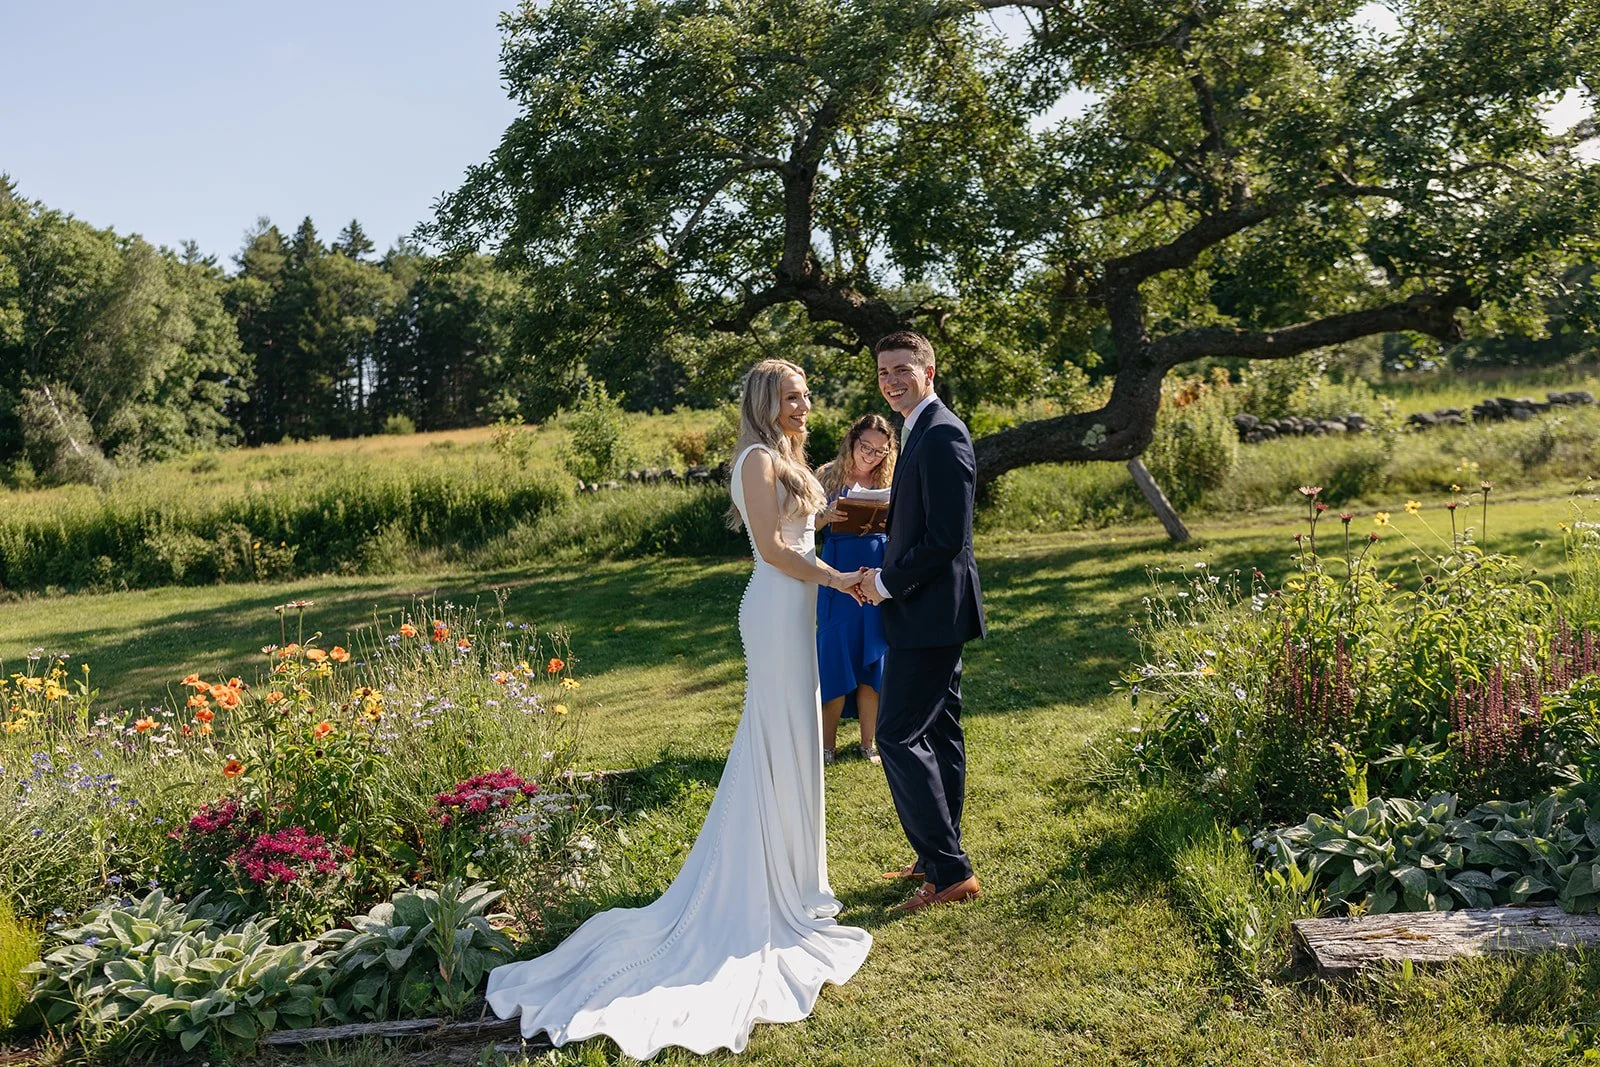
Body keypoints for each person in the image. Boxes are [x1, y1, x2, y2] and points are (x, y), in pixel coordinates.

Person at [485, 359, 872, 1059]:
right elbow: (776, 550)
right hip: (778, 607)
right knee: (774, 738)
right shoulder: (756, 459)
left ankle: (796, 877)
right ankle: (765, 886)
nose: (804, 406)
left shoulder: (787, 457)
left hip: (799, 612)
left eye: (806, 396)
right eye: (792, 397)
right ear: (763, 403)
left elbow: (804, 527)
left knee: (790, 736)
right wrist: (840, 577)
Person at [859, 330, 987, 914]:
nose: (891, 380)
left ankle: (951, 871)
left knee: (896, 734)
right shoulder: (917, 429)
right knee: (938, 732)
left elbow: (947, 540)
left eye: (902, 369)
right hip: (928, 610)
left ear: (928, 372)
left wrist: (885, 583)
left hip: (930, 612)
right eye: (884, 371)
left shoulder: (941, 435)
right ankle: (936, 857)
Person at [815, 414, 897, 766]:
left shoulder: (889, 477)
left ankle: (869, 745)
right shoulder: (825, 475)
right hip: (836, 574)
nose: (872, 455)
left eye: (881, 450)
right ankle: (825, 748)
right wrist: (826, 515)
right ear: (851, 441)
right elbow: (803, 527)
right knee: (835, 659)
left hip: (875, 575)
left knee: (873, 662)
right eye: (866, 447)